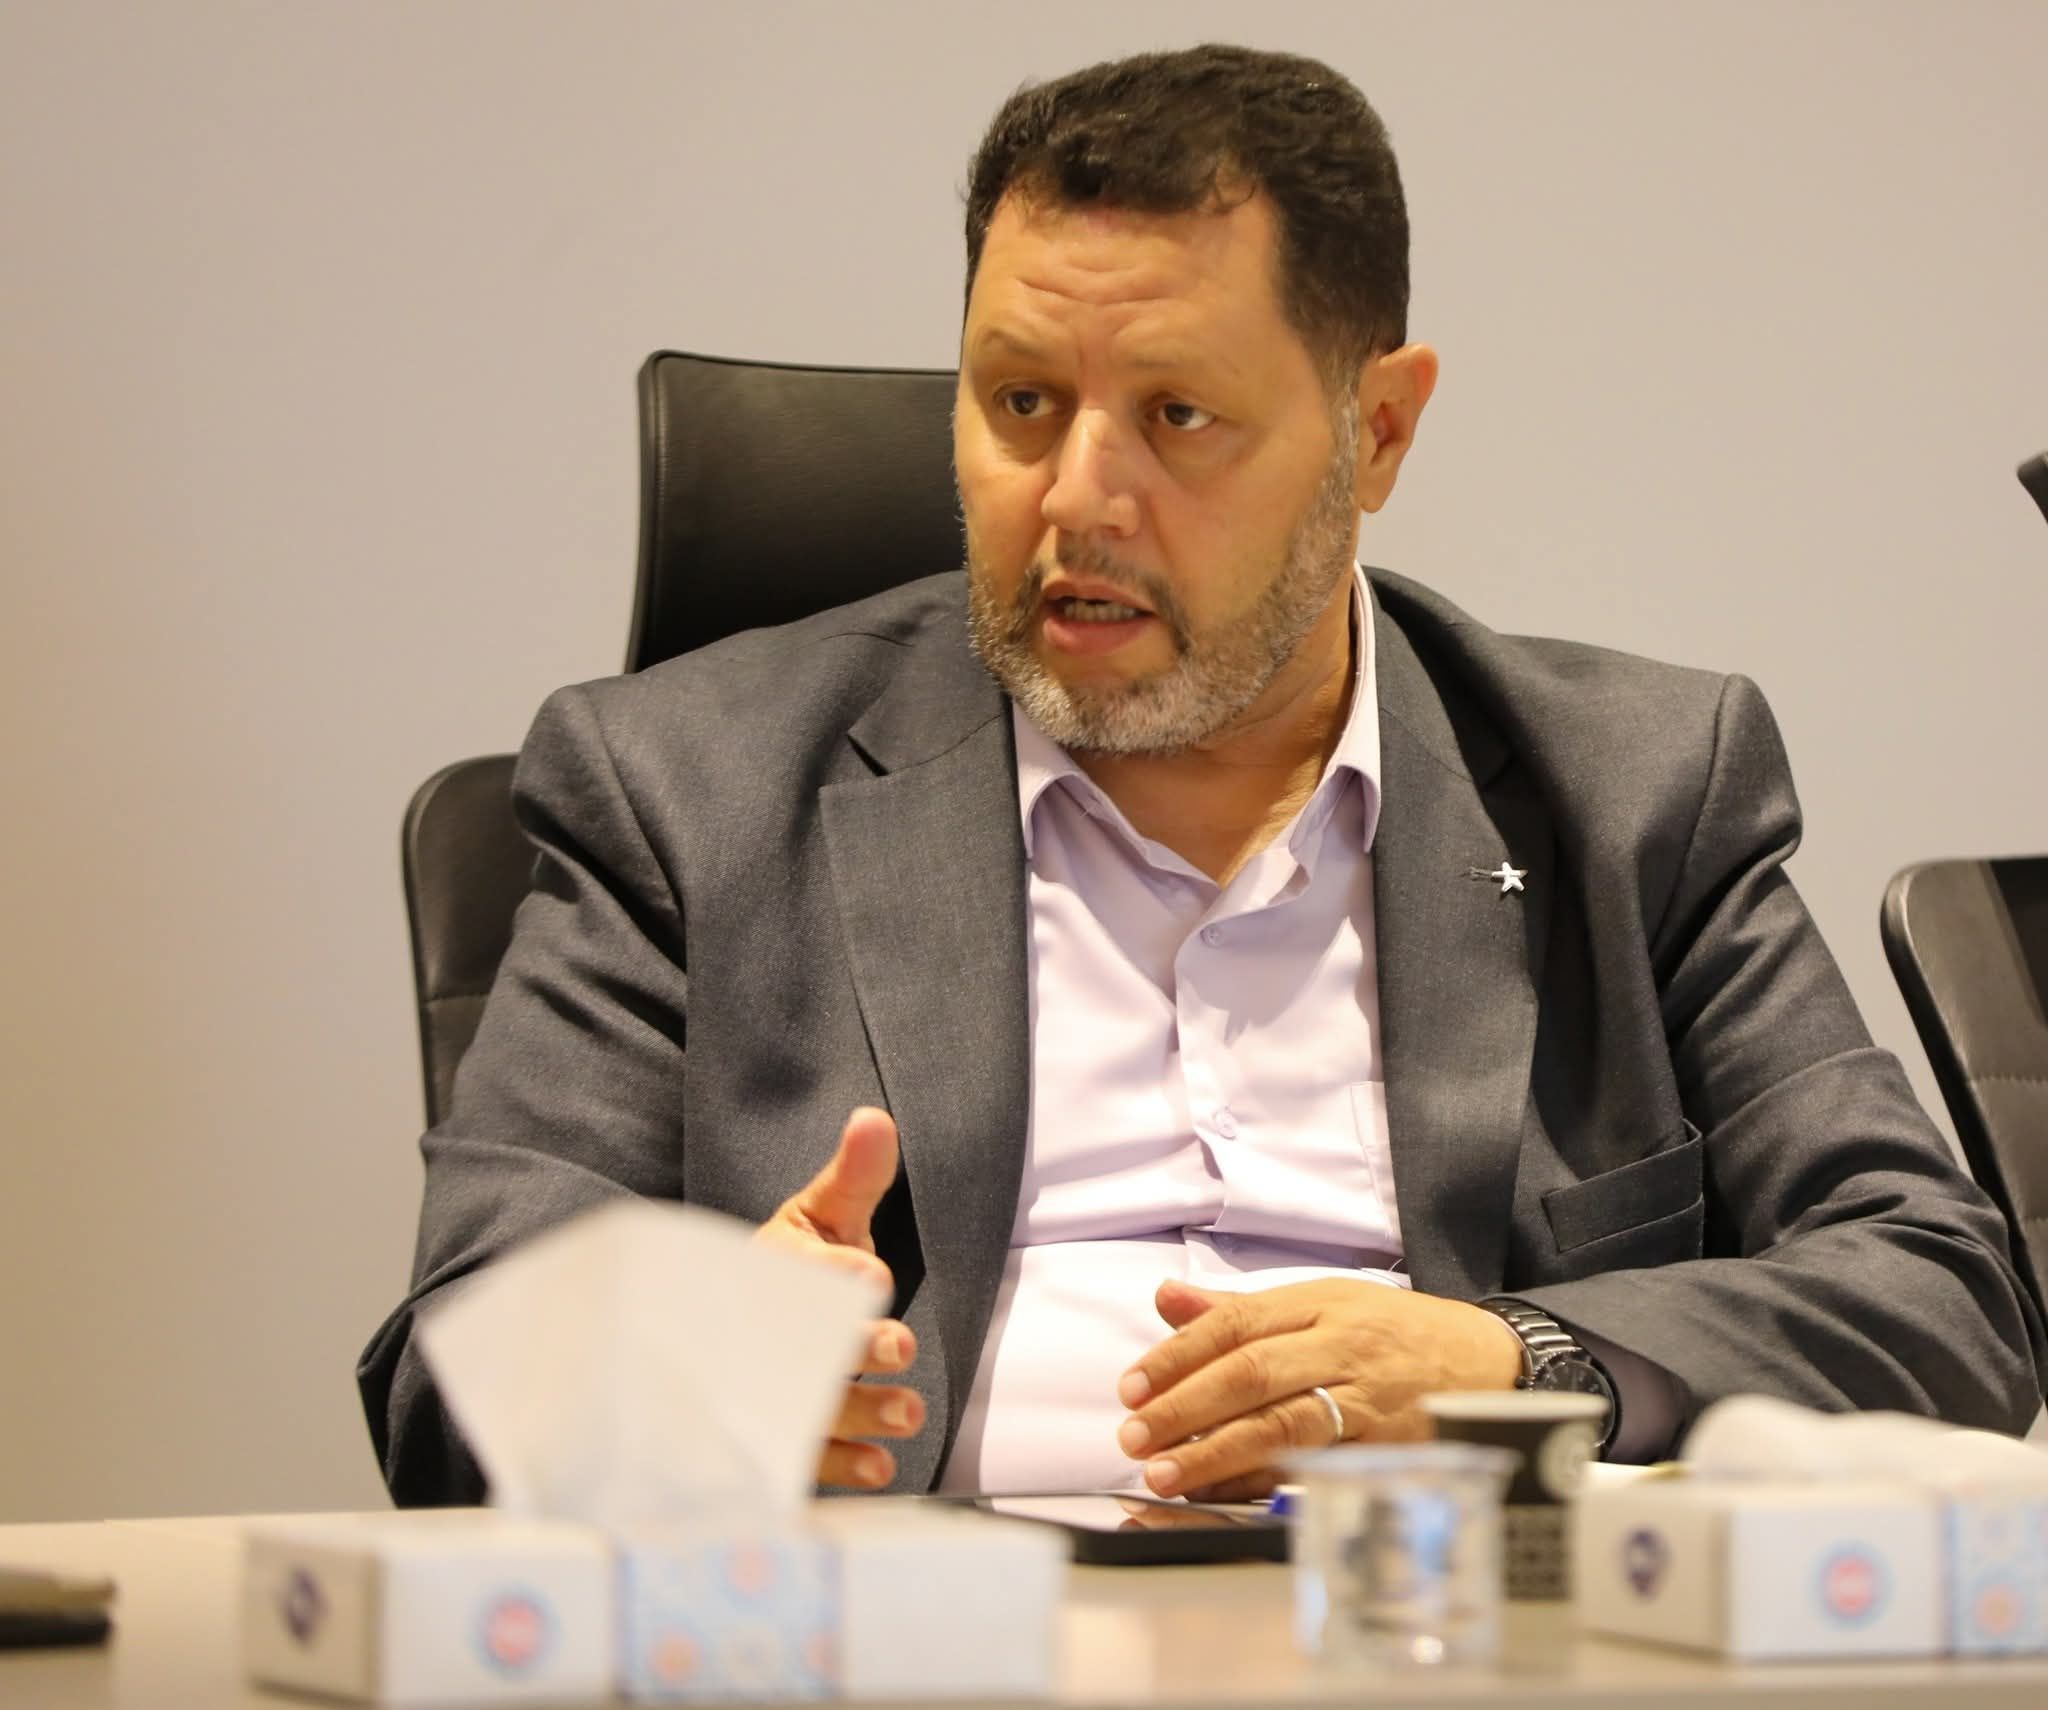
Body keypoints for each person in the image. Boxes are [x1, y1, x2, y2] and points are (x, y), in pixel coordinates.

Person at [360, 44, 2046, 1507]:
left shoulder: (1632, 794)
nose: (1076, 496)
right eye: (1021, 400)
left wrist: (1514, 1362)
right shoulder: (684, 790)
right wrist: (688, 1384)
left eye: (1177, 416)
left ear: (1378, 430)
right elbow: (448, 1369)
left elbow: (1946, 1294)